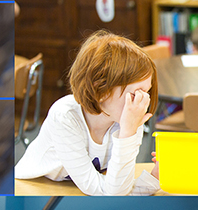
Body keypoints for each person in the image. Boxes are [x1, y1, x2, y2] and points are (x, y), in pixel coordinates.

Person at [14, 31, 162, 195]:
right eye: (136, 94)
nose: (143, 103)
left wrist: (155, 177)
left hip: (73, 191)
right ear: (101, 90)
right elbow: (112, 193)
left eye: (146, 93)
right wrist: (127, 133)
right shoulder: (65, 117)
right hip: (32, 189)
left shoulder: (129, 119)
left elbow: (117, 189)